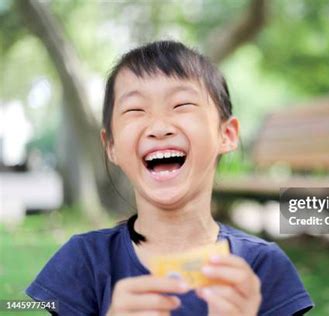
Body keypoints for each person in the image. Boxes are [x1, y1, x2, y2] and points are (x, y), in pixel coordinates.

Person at [26, 40, 314, 316]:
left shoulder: (263, 266)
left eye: (181, 105)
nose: (159, 127)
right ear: (111, 145)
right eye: (135, 110)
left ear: (226, 135)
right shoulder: (84, 260)